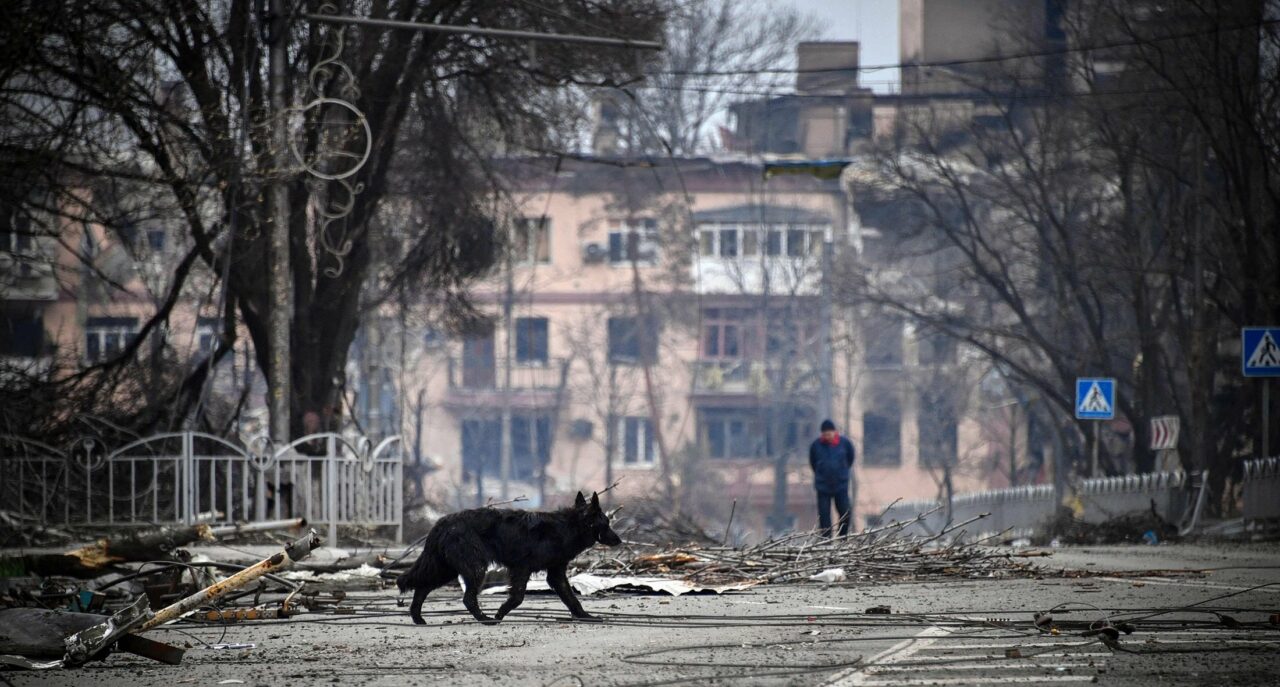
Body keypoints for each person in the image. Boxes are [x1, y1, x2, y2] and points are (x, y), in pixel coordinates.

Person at [809, 419, 856, 537]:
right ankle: (826, 542)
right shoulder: (816, 445)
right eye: (824, 435)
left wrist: (842, 472)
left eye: (829, 434)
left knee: (845, 513)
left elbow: (850, 458)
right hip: (823, 486)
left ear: (834, 432)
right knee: (824, 517)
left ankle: (842, 538)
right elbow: (813, 462)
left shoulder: (845, 444)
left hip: (841, 485)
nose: (827, 437)